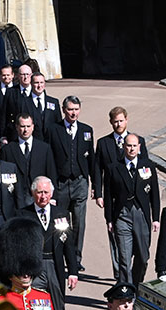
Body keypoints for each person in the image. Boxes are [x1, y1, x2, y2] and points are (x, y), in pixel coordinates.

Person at [95, 106, 149, 279]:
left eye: (121, 120)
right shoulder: (104, 143)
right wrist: (98, 193)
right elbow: (97, 169)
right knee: (117, 240)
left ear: (127, 119)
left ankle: (132, 275)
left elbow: (145, 168)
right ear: (111, 122)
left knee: (140, 247)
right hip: (115, 199)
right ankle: (121, 275)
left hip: (136, 202)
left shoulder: (138, 142)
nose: (118, 124)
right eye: (115, 121)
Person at [21, 176, 78, 310]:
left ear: (51, 193)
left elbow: (68, 244)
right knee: (34, 304)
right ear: (33, 193)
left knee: (57, 307)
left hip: (55, 265)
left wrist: (73, 271)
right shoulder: (23, 215)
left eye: (46, 192)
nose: (43, 196)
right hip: (34, 267)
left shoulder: (62, 214)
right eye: (39, 192)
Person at [47, 95, 97, 271]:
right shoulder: (53, 130)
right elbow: (49, 159)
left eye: (76, 109)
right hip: (60, 183)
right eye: (70, 109)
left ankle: (75, 258)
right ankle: (60, 255)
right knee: (61, 222)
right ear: (63, 110)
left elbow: (92, 160)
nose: (73, 113)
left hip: (80, 182)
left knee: (79, 222)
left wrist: (96, 188)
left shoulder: (87, 130)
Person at [106, 134, 160, 283]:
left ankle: (136, 285)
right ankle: (126, 293)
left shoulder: (148, 166)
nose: (131, 149)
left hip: (142, 215)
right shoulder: (113, 168)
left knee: (143, 257)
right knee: (124, 258)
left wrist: (156, 218)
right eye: (128, 145)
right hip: (122, 216)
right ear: (123, 147)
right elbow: (109, 196)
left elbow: (155, 194)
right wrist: (109, 219)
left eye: (134, 146)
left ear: (139, 147)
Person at [1, 113, 58, 209]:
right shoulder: (8, 150)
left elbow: (51, 173)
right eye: (22, 126)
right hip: (16, 199)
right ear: (17, 127)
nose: (25, 130)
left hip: (39, 197)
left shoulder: (44, 148)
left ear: (33, 127)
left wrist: (53, 197)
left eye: (28, 126)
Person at [22, 72, 62, 140]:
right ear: (31, 84)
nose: (39, 85)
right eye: (36, 82)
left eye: (41, 82)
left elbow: (58, 124)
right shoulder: (23, 102)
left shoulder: (54, 102)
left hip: (51, 142)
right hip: (32, 142)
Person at [4, 64, 33, 142]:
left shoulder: (37, 91)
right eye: (23, 74)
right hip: (14, 134)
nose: (25, 77)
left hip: (34, 134)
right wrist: (3, 135)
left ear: (31, 75)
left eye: (27, 74)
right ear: (18, 76)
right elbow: (5, 114)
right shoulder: (10, 92)